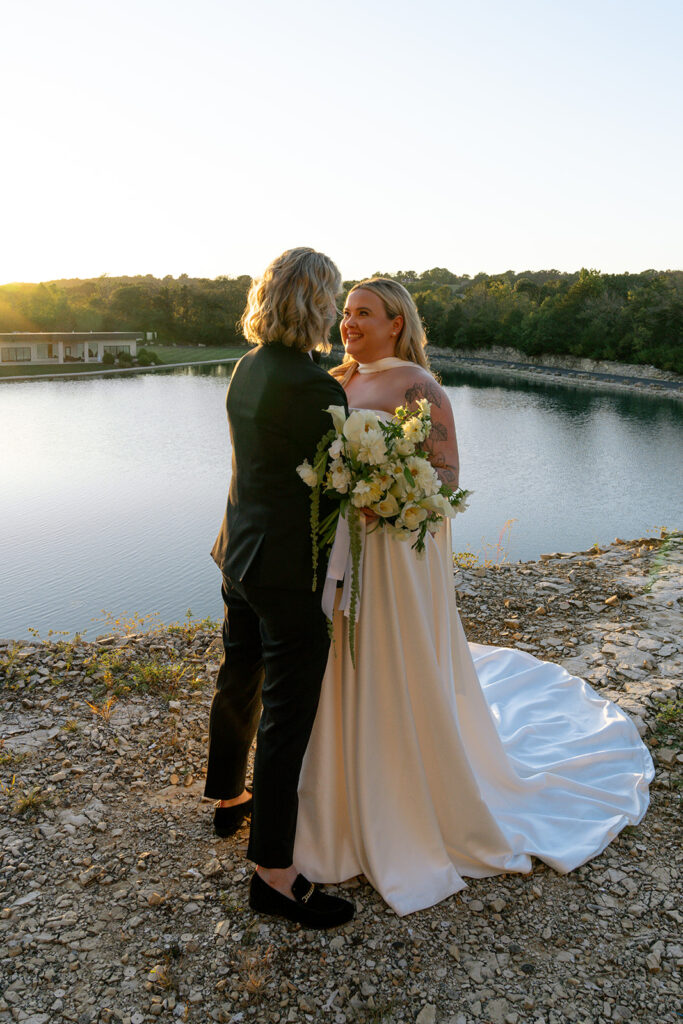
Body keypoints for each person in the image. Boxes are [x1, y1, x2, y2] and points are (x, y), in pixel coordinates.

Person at [293, 278, 654, 917]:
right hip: (341, 545)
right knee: (336, 646)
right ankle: (335, 781)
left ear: (396, 323)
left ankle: (403, 787)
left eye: (363, 314)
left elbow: (447, 475)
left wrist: (388, 499)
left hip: (395, 548)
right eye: (346, 313)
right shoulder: (339, 378)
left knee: (386, 649)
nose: (348, 323)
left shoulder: (418, 388)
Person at [204, 247, 354, 929]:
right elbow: (334, 488)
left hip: (236, 548)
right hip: (283, 571)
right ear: (319, 304)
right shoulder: (315, 386)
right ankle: (272, 872)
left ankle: (227, 798)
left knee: (239, 674)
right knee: (288, 713)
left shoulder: (247, 366)